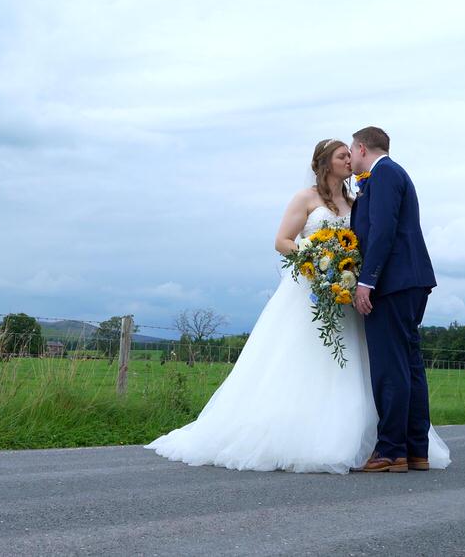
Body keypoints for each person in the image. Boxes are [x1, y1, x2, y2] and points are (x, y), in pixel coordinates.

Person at [145, 136, 448, 473]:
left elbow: (374, 237)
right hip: (312, 288)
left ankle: (390, 444)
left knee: (373, 364)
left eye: (350, 154)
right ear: (323, 163)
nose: (348, 160)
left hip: (349, 291)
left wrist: (352, 273)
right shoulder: (306, 199)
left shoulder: (357, 199)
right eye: (341, 156)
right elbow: (282, 241)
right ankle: (342, 439)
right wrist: (317, 258)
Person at [348, 125, 439, 473]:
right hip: (409, 281)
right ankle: (416, 450)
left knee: (390, 368)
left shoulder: (384, 174)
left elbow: (382, 230)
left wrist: (366, 281)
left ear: (361, 147)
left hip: (393, 283)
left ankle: (391, 451)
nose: (351, 158)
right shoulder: (391, 174)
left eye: (351, 151)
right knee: (410, 365)